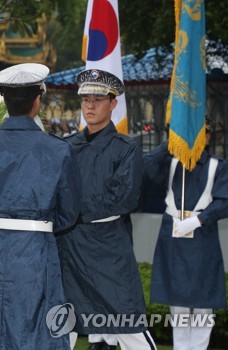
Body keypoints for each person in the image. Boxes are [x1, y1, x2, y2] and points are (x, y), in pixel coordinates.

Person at [0, 63, 81, 350]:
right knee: (38, 331)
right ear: (37, 101)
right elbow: (69, 213)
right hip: (38, 249)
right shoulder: (59, 149)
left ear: (5, 102)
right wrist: (41, 221)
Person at [56, 69, 156, 350]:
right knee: (62, 328)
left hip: (107, 249)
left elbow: (124, 199)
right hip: (69, 249)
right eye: (85, 99)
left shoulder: (126, 148)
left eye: (97, 99)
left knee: (129, 324)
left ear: (113, 104)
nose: (89, 105)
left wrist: (71, 212)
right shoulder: (65, 147)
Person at [143, 118, 228, 350]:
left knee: (203, 300)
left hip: (202, 235)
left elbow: (225, 201)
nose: (194, 139)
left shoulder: (217, 166)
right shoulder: (171, 162)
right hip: (173, 235)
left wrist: (199, 220)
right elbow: (146, 168)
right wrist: (169, 144)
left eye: (200, 134)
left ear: (208, 137)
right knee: (176, 299)